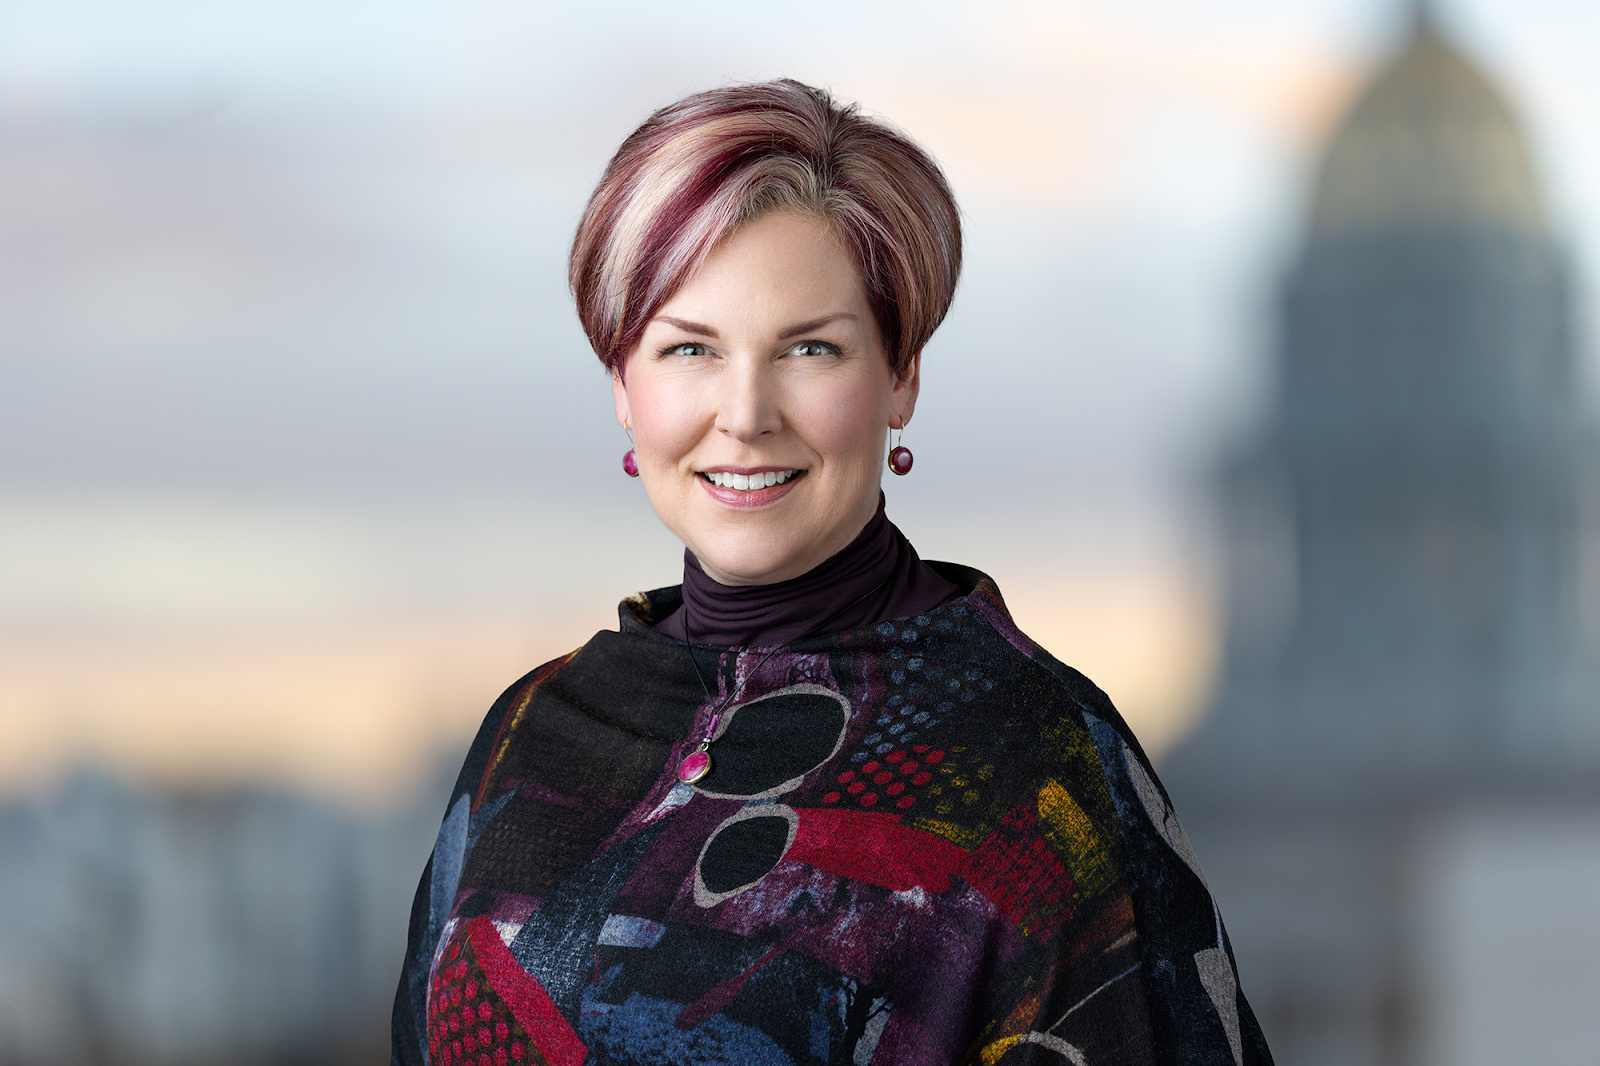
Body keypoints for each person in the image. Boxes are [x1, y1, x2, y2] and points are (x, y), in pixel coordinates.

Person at [391, 79, 1271, 1066]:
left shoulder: (1027, 759)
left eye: (810, 347)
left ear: (900, 374)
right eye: (689, 347)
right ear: (622, 386)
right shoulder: (531, 731)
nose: (746, 412)